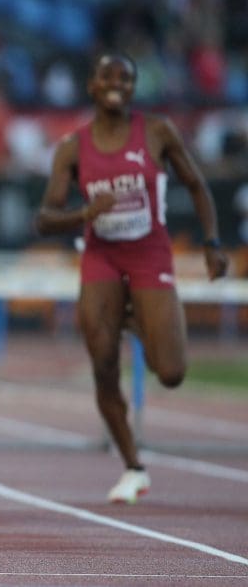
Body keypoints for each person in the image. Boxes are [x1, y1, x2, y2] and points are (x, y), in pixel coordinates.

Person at [34, 53, 228, 503]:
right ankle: (133, 466)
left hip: (148, 253)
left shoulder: (157, 131)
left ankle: (139, 319)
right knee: (102, 365)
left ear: (134, 88)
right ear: (92, 86)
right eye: (108, 76)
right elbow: (44, 219)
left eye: (126, 77)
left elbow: (197, 184)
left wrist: (213, 243)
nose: (116, 83)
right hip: (101, 257)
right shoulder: (72, 147)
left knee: (173, 372)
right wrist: (85, 214)